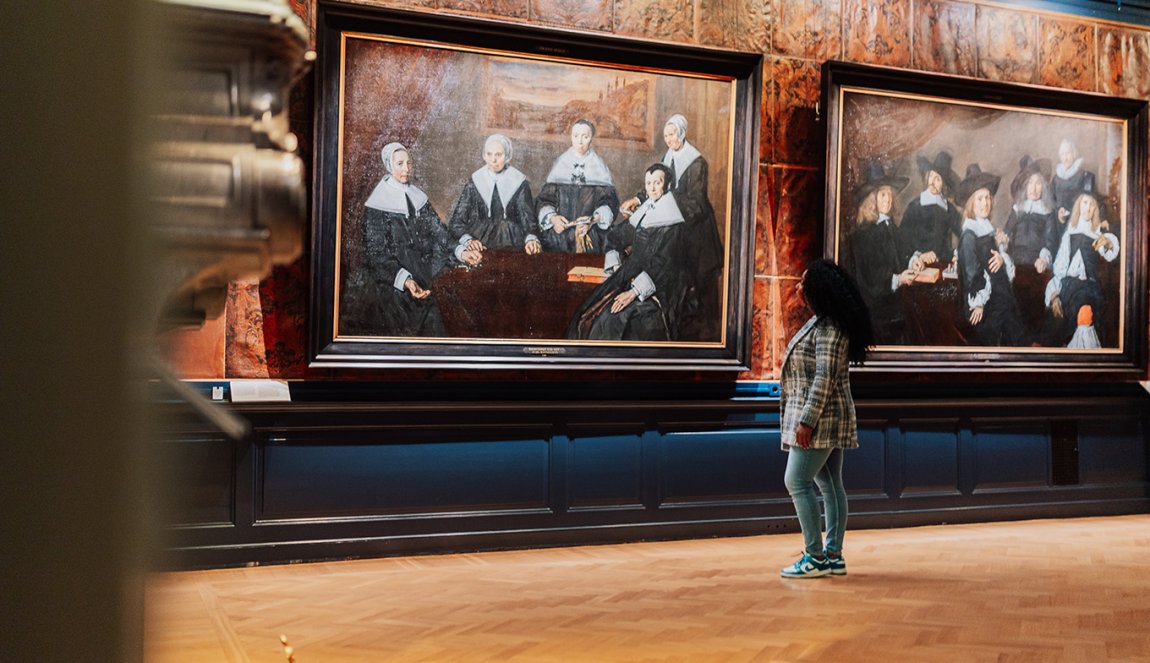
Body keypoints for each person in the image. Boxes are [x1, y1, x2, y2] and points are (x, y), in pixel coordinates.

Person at [778, 259, 873, 579]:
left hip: (822, 420)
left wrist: (806, 422)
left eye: (805, 283)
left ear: (820, 290)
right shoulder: (824, 322)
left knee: (796, 481)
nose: (799, 288)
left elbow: (825, 378)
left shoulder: (830, 327)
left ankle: (815, 556)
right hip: (826, 418)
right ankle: (833, 555)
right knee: (830, 485)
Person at [360, 142, 482, 336]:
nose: (406, 169)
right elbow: (377, 256)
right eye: (400, 164)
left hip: (424, 269)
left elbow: (439, 232)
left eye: (409, 163)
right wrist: (406, 281)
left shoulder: (417, 196)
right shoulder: (377, 204)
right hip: (392, 281)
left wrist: (462, 251)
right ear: (389, 166)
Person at [621, 114, 725, 340]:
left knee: (705, 299)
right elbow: (657, 185)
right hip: (677, 236)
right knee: (678, 292)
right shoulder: (667, 157)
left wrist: (664, 214)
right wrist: (639, 201)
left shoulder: (696, 162)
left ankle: (710, 343)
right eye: (666, 135)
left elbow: (695, 203)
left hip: (698, 237)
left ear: (682, 134)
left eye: (672, 135)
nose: (669, 139)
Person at [568, 163, 688, 341]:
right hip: (630, 273)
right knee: (587, 312)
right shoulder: (647, 210)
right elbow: (616, 236)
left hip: (659, 285)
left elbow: (664, 264)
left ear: (667, 185)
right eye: (648, 183)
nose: (652, 188)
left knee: (613, 319)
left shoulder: (672, 219)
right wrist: (616, 266)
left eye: (657, 182)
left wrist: (633, 292)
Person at [842, 160, 915, 345]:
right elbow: (869, 280)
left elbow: (904, 252)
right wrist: (898, 279)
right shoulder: (863, 235)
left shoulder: (890, 226)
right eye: (883, 194)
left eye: (890, 194)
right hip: (878, 314)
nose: (888, 199)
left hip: (897, 309)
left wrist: (915, 259)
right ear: (871, 199)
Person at [955, 164, 1028, 346]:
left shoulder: (988, 229)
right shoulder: (969, 235)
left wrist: (1002, 256)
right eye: (980, 199)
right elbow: (972, 274)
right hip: (984, 304)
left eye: (988, 198)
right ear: (972, 203)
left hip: (1002, 296)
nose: (985, 203)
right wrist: (978, 302)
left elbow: (998, 261)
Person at [1042, 192, 1119, 347]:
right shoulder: (1069, 234)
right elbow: (1060, 269)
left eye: (1091, 205)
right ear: (1078, 205)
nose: (1087, 208)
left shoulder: (1099, 233)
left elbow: (1111, 250)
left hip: (1089, 287)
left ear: (1095, 210)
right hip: (1069, 286)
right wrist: (1053, 295)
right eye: (1084, 203)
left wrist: (1108, 243)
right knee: (1054, 326)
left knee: (1085, 313)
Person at [448, 134, 541, 255]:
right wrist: (468, 241)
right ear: (484, 155)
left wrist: (531, 239)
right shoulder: (475, 180)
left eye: (498, 155)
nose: (493, 160)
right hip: (480, 242)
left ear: (507, 156)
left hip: (514, 241)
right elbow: (456, 222)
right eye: (489, 154)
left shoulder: (519, 181)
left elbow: (528, 220)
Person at [535, 119, 620, 253]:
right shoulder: (561, 164)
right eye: (576, 136)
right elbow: (545, 200)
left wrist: (593, 220)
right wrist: (553, 218)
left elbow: (609, 203)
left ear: (591, 138)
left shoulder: (599, 167)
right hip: (559, 234)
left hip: (591, 234)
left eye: (585, 137)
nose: (580, 141)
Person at [1002, 155, 1058, 339]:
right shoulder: (1017, 209)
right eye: (1030, 184)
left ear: (1044, 186)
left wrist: (1044, 258)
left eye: (1038, 184)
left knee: (1034, 293)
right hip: (1016, 261)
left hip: (1036, 264)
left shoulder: (1048, 212)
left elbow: (1050, 240)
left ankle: (1033, 341)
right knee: (1008, 292)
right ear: (1024, 187)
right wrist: (1003, 240)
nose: (1034, 189)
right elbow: (1007, 233)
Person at [899, 151, 962, 271]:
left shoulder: (948, 208)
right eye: (931, 176)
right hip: (919, 266)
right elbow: (903, 240)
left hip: (943, 264)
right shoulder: (915, 206)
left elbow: (962, 232)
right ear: (927, 178)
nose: (933, 181)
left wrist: (956, 255)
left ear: (943, 185)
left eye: (938, 178)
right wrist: (918, 255)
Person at [1050, 138, 1098, 227]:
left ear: (1074, 154)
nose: (1065, 158)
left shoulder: (1085, 176)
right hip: (1058, 221)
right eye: (1062, 154)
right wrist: (1059, 209)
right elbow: (1051, 200)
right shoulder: (1056, 179)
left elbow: (1089, 201)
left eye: (1068, 153)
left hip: (1078, 221)